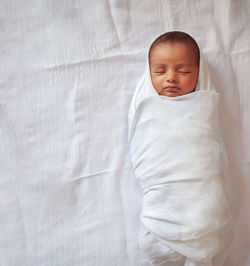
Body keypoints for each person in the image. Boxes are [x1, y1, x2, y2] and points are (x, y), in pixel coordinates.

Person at [128, 31, 234, 266]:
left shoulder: (203, 105)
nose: (171, 78)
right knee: (150, 243)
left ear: (199, 73)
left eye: (184, 71)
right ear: (149, 74)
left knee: (203, 228)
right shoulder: (146, 108)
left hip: (201, 199)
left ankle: (201, 252)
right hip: (162, 199)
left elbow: (210, 152)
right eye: (160, 70)